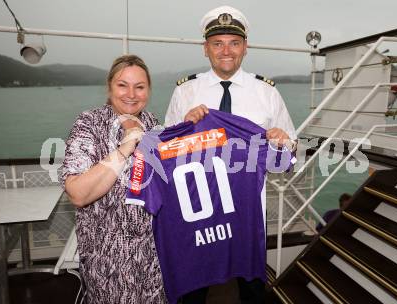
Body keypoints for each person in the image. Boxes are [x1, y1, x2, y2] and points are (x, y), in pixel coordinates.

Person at [164, 5, 297, 304]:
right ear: (205, 49)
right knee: (193, 288)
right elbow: (167, 155)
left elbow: (287, 156)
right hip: (198, 210)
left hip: (248, 212)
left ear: (245, 47)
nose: (226, 51)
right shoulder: (185, 92)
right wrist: (185, 127)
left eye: (234, 43)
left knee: (250, 287)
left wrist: (281, 143)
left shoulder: (267, 93)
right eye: (218, 43)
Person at [61, 55, 166, 303]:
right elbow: (78, 193)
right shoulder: (89, 124)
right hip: (108, 262)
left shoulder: (154, 126)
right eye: (122, 85)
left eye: (139, 87)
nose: (131, 93)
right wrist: (125, 148)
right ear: (109, 87)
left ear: (148, 91)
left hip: (154, 260)